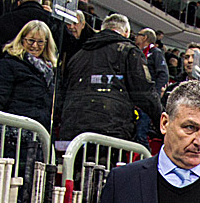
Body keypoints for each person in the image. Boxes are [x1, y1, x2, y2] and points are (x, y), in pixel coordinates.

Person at [57, 13, 161, 143]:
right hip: (111, 132)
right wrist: (162, 123)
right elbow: (146, 94)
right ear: (126, 32)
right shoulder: (129, 52)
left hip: (73, 131)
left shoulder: (77, 56)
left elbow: (63, 92)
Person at [0, 20, 57, 131]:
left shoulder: (50, 71)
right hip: (12, 134)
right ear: (22, 40)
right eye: (31, 41)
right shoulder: (9, 64)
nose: (35, 46)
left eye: (40, 42)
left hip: (38, 136)